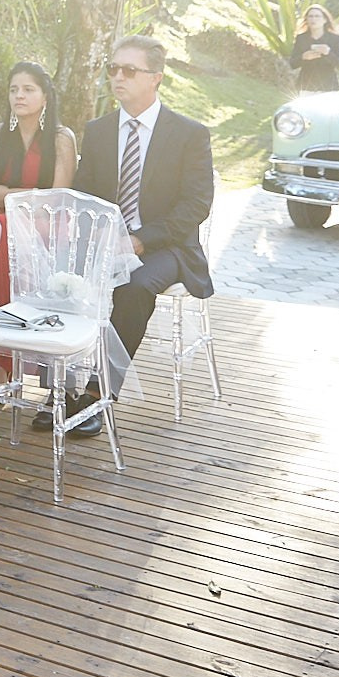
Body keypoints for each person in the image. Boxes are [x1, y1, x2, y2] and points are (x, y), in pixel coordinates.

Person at [70, 36, 215, 433]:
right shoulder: (98, 130)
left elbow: (195, 205)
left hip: (164, 246)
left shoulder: (188, 134)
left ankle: (99, 394)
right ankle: (61, 390)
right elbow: (83, 194)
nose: (118, 77)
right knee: (59, 280)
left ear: (155, 78)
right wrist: (92, 236)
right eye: (113, 69)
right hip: (105, 242)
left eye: (128, 70)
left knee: (132, 288)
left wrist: (140, 239)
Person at [0, 61, 78, 318]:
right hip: (0, 221)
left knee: (0, 227)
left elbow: (55, 199)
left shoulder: (60, 138)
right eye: (13, 90)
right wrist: (27, 193)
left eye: (28, 89)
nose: (19, 95)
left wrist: (5, 194)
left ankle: (14, 320)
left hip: (46, 224)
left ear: (45, 97)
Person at [290, 5, 339, 92]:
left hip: (328, 87)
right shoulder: (301, 38)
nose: (313, 19)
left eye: (317, 16)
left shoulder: (334, 38)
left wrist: (328, 53)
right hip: (306, 87)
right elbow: (293, 64)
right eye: (310, 16)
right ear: (306, 20)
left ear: (325, 20)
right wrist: (304, 57)